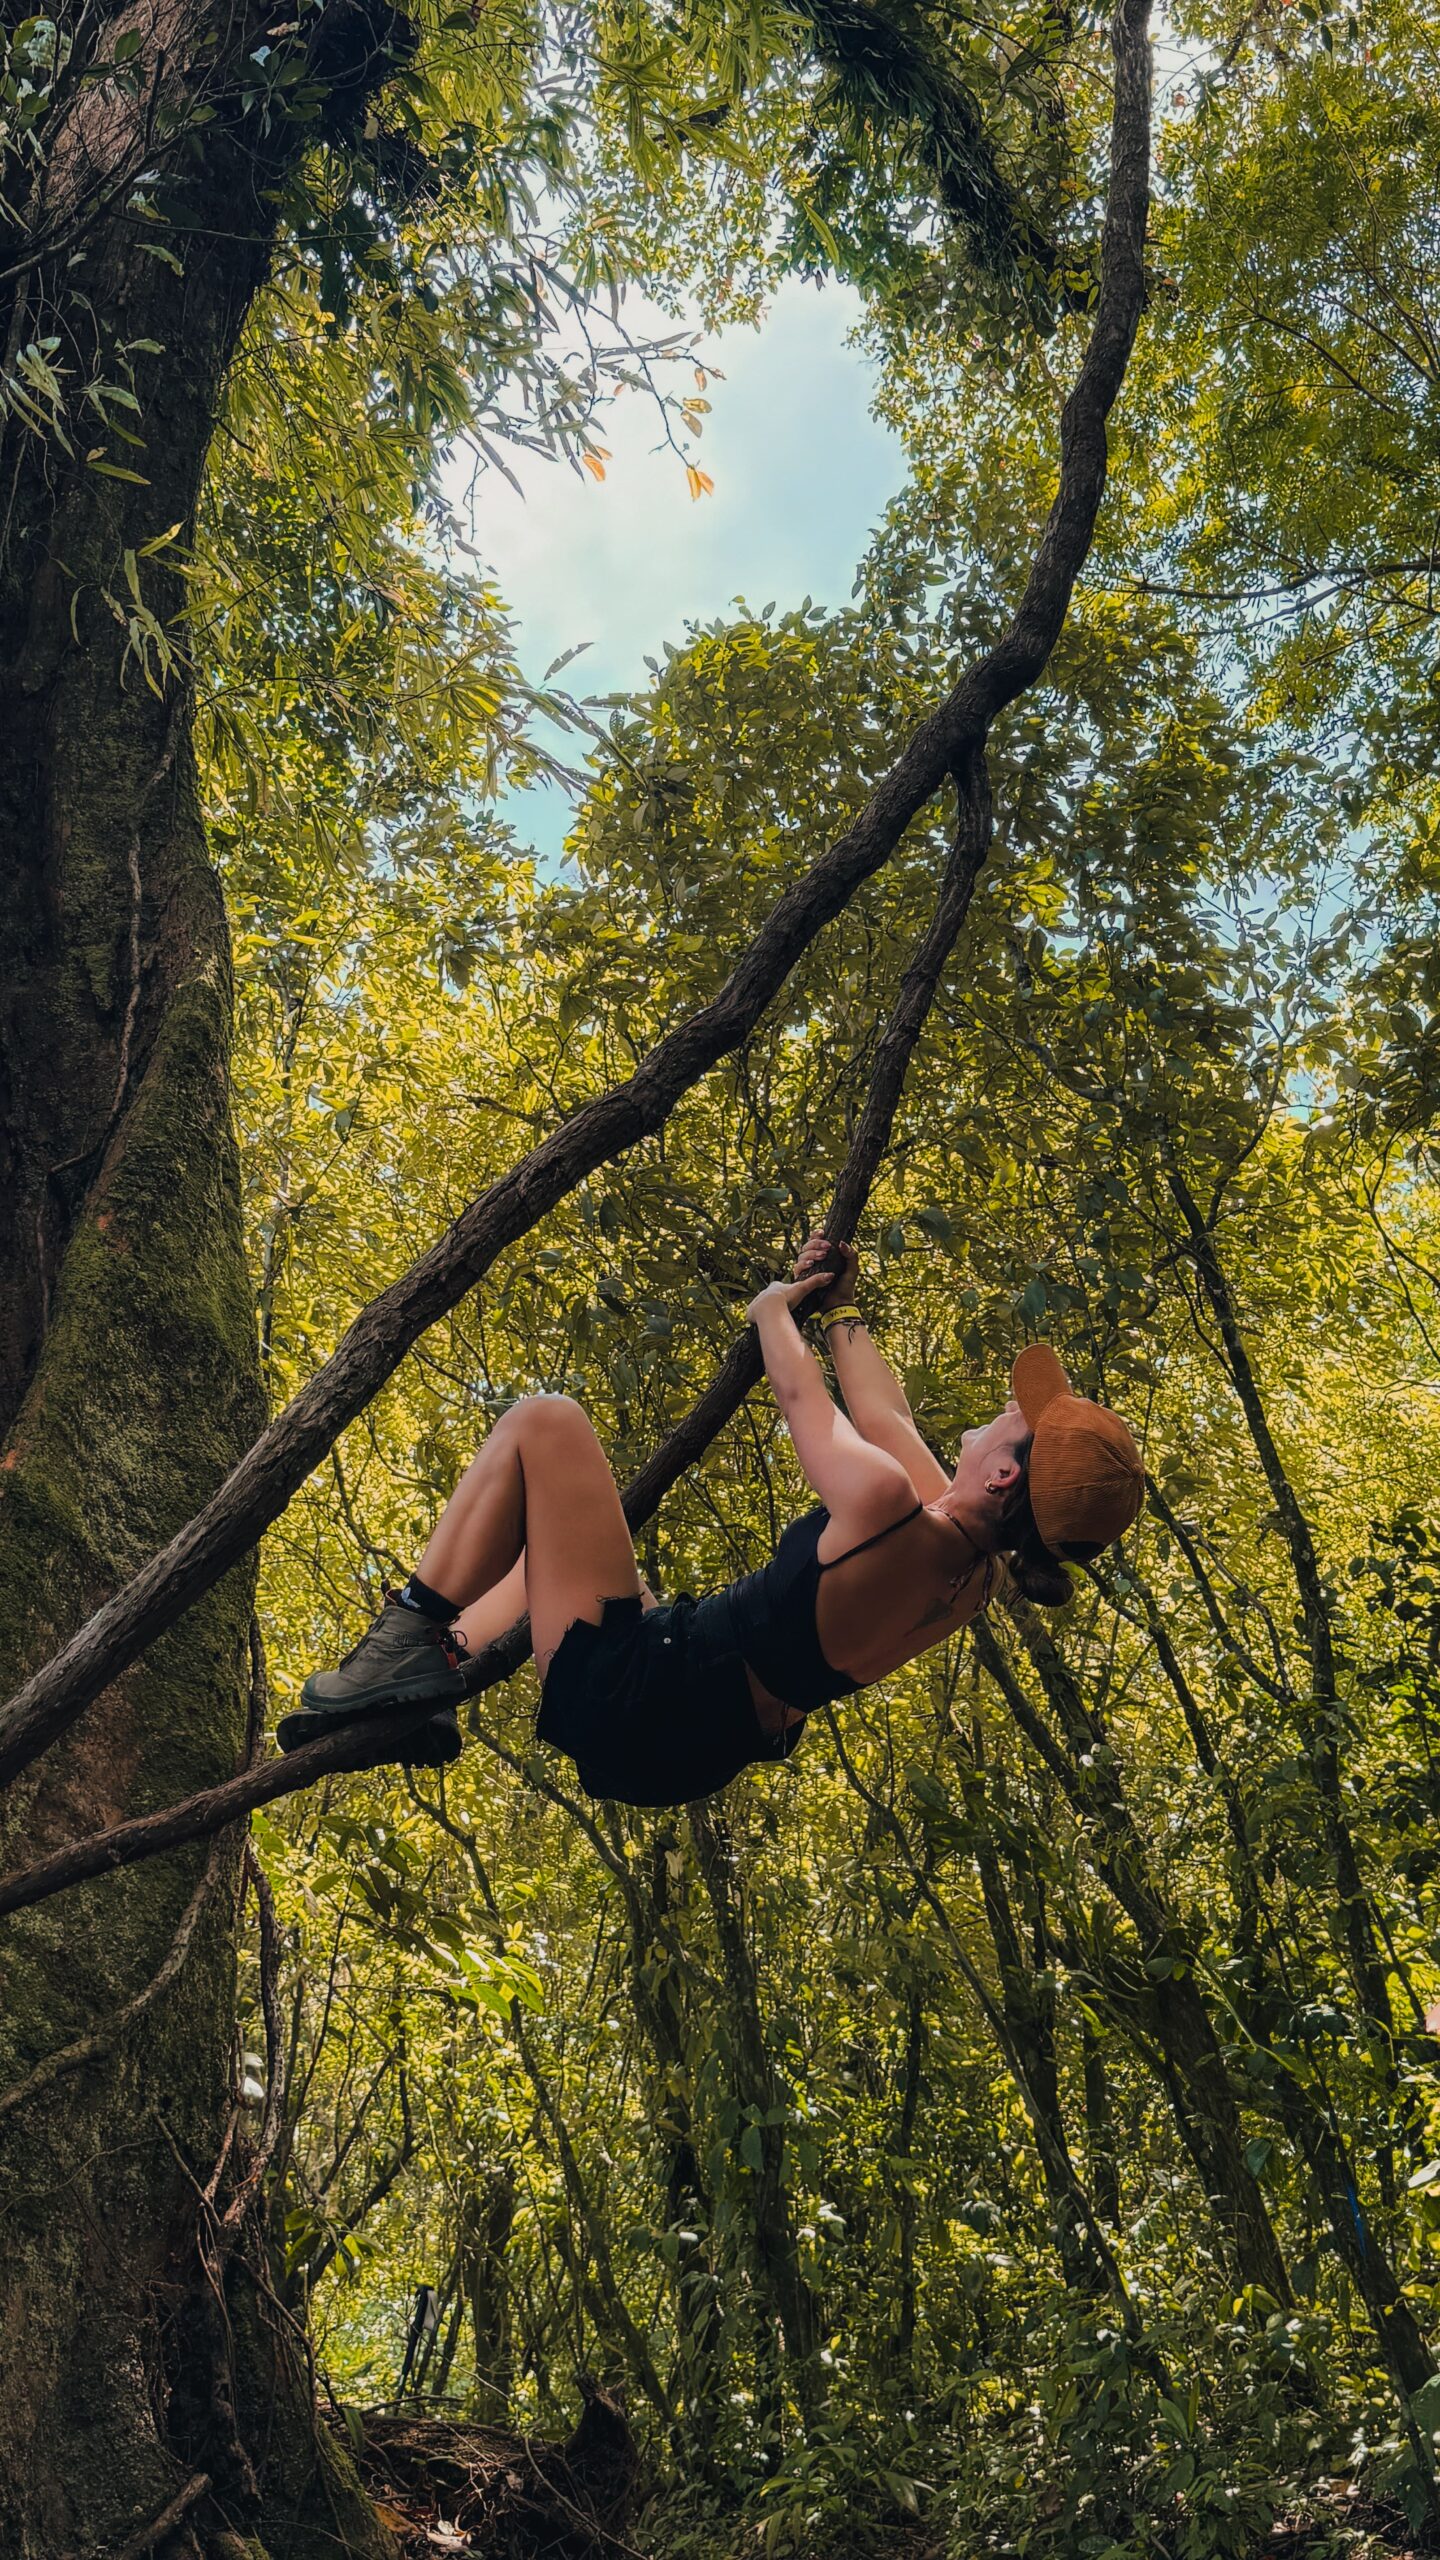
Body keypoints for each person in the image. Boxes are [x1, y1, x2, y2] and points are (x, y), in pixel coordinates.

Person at [279, 1236, 1145, 1802]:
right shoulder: (971, 1570)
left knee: (544, 1426)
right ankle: (436, 1671)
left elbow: (807, 1400)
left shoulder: (887, 1506)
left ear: (1000, 1473)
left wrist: (774, 1309)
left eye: (1018, 1420)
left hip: (636, 1693)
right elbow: (887, 1420)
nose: (1005, 1403)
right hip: (689, 1747)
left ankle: (405, 1637)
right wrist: (840, 1303)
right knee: (564, 1534)